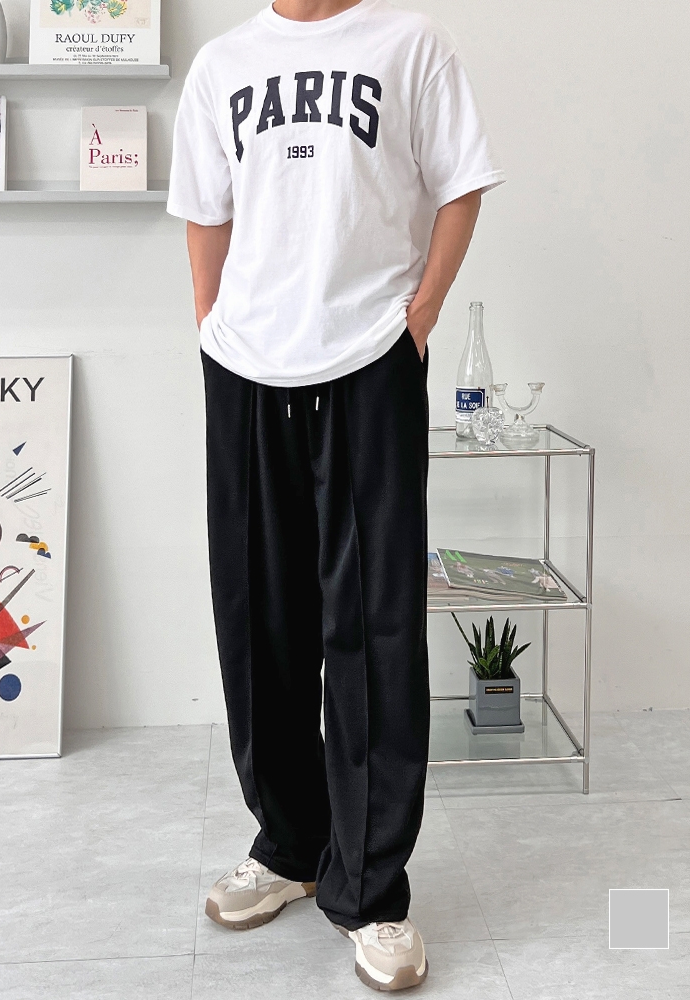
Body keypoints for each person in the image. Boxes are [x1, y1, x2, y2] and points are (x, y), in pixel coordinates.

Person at [167, 0, 503, 989]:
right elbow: (205, 209)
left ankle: (371, 889)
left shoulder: (410, 44)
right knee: (257, 618)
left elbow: (462, 185)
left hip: (368, 358)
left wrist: (418, 319)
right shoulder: (223, 64)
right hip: (245, 367)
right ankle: (288, 845)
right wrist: (210, 326)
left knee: (375, 626)